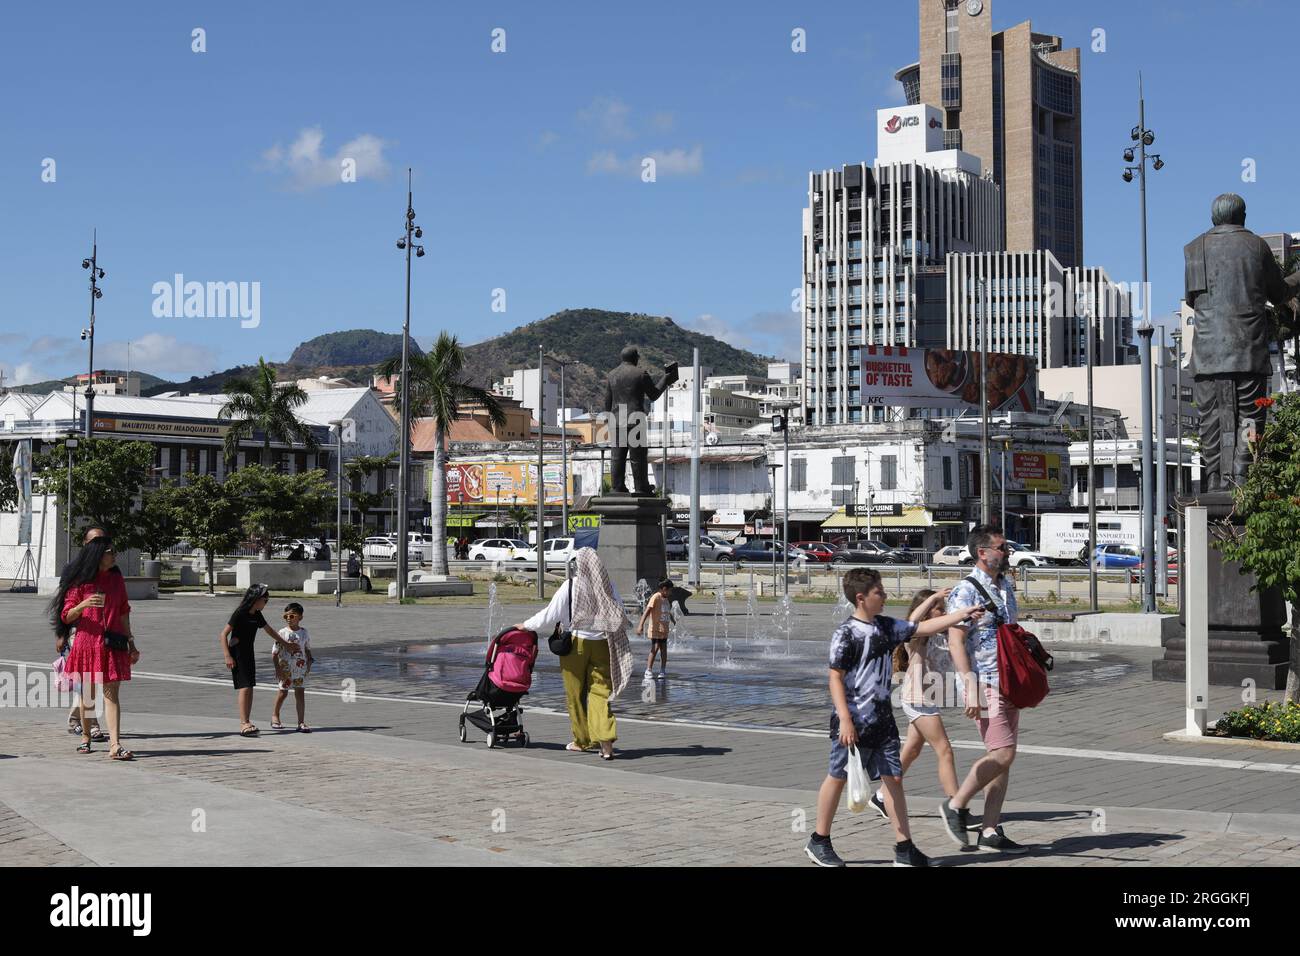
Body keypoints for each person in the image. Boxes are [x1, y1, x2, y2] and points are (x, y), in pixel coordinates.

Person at [804, 567, 984, 868]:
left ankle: (904, 848)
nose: (885, 596)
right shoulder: (845, 633)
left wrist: (963, 612)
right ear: (861, 598)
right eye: (879, 592)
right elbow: (835, 678)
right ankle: (818, 840)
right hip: (853, 721)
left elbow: (923, 628)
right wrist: (846, 720)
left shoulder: (886, 627)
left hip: (883, 720)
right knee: (838, 777)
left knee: (894, 778)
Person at [937, 525, 1029, 854]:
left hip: (1009, 680)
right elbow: (956, 641)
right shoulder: (966, 590)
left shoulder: (1005, 585)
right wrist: (970, 686)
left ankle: (989, 830)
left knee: (1002, 757)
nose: (1007, 552)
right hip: (986, 680)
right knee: (1003, 754)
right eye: (1002, 548)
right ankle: (957, 805)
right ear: (983, 553)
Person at [874, 588, 981, 832]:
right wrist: (932, 598)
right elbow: (911, 622)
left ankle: (880, 796)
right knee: (944, 749)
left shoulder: (946, 633)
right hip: (917, 698)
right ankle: (957, 808)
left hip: (928, 698)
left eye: (944, 608)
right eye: (939, 609)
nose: (944, 612)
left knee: (911, 750)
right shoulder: (917, 636)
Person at [514, 548, 634, 760]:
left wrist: (526, 625)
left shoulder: (570, 586)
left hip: (575, 646)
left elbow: (549, 615)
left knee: (575, 694)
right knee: (601, 694)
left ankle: (582, 741)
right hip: (603, 644)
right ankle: (606, 743)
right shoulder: (608, 585)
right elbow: (619, 612)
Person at [49, 532, 141, 761]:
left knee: (112, 695)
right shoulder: (81, 580)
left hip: (113, 643)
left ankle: (115, 744)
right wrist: (84, 604)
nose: (115, 555)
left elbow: (123, 612)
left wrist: (131, 642)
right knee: (88, 695)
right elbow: (67, 615)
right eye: (111, 552)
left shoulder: (116, 578)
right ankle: (86, 738)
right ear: (99, 555)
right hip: (87, 643)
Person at [220, 584, 299, 736]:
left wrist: (286, 644)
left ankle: (247, 721)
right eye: (265, 600)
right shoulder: (240, 613)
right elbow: (223, 634)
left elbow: (269, 630)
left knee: (250, 686)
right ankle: (244, 724)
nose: (266, 603)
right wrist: (227, 656)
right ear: (255, 599)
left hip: (248, 652)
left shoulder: (256, 614)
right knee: (245, 687)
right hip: (237, 653)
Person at [58, 526, 109, 741]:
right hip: (78, 631)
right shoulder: (74, 570)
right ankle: (93, 723)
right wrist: (60, 634)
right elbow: (62, 605)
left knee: (90, 680)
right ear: (86, 544)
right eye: (96, 541)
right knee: (89, 679)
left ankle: (75, 719)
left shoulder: (108, 570)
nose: (101, 546)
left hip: (101, 632)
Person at [271, 602, 314, 732]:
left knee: (300, 693)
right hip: (285, 669)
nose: (289, 619)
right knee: (283, 692)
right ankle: (275, 716)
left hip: (300, 669)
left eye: (292, 616)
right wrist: (278, 669)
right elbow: (274, 653)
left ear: (300, 617)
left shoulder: (304, 633)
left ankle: (301, 722)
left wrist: (309, 662)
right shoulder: (282, 633)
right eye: (286, 616)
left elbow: (307, 649)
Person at [636, 578, 673, 680]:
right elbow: (647, 611)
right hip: (655, 628)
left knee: (664, 650)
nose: (671, 592)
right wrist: (640, 625)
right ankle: (648, 669)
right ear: (664, 589)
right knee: (655, 648)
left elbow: (667, 611)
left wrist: (672, 618)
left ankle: (662, 670)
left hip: (664, 629)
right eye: (670, 590)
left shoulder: (665, 599)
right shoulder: (656, 597)